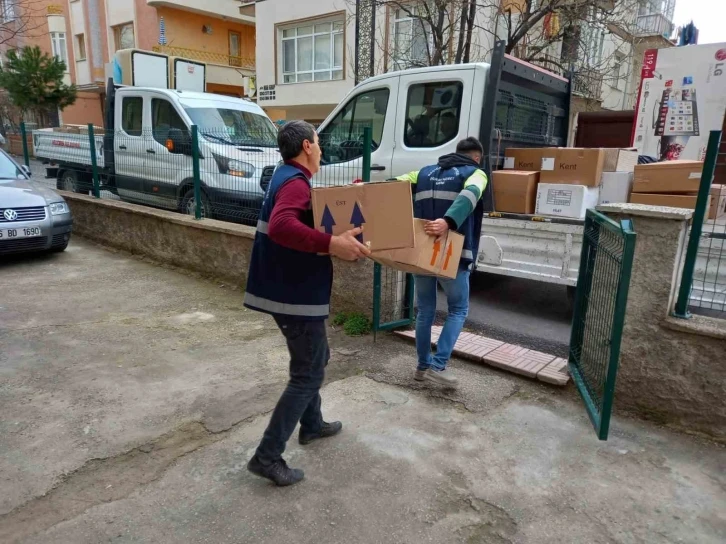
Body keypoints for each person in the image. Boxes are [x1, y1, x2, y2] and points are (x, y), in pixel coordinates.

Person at [244, 120, 370, 486]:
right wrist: (333, 244)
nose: (322, 147)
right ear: (306, 146)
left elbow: (297, 221)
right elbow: (283, 226)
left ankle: (312, 424)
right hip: (292, 294)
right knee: (309, 372)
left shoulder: (287, 177)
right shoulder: (295, 182)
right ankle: (267, 457)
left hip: (288, 290)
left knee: (316, 358)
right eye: (318, 141)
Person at [396, 137, 488, 388]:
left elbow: (393, 185)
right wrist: (448, 221)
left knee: (425, 310)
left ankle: (422, 365)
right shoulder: (476, 173)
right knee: (458, 309)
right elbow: (471, 194)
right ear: (477, 158)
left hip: (421, 253)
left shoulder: (423, 173)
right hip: (452, 253)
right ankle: (438, 366)